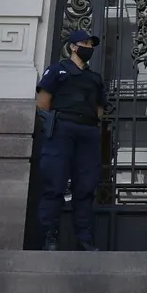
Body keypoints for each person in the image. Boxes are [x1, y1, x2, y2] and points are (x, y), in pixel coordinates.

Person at [36, 29, 106, 251]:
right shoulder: (58, 70)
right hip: (62, 130)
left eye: (91, 44)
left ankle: (85, 239)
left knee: (85, 188)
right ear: (74, 47)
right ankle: (50, 237)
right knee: (55, 185)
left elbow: (100, 108)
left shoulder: (95, 78)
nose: (89, 47)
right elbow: (43, 102)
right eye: (85, 43)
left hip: (87, 132)